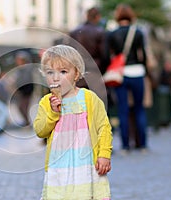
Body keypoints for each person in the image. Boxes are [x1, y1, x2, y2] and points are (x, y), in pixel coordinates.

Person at [33, 45, 112, 199]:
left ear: (76, 74)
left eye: (63, 72)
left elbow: (103, 127)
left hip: (86, 165)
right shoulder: (45, 102)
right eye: (50, 72)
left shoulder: (89, 98)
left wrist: (104, 155)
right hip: (59, 166)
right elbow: (40, 130)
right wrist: (52, 113)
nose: (56, 77)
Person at [106, 4, 148, 153]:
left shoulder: (112, 34)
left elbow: (107, 55)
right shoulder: (138, 32)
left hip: (120, 74)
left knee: (122, 110)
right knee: (139, 109)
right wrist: (145, 71)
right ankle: (142, 144)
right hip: (137, 71)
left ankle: (125, 146)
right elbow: (143, 54)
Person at [14, 51, 34, 126]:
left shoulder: (27, 68)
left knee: (23, 107)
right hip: (21, 92)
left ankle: (27, 122)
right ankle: (26, 121)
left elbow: (26, 80)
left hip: (27, 91)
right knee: (21, 107)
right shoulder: (19, 69)